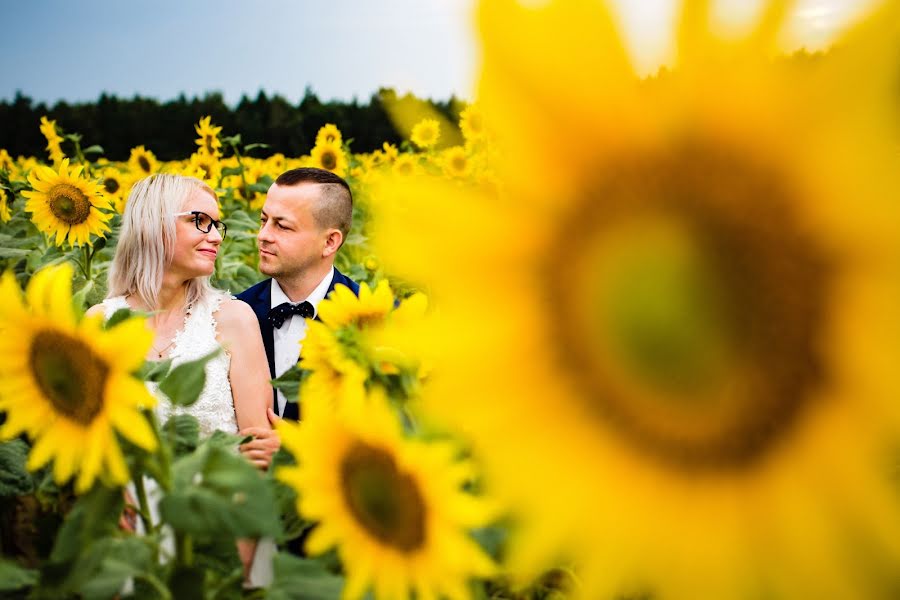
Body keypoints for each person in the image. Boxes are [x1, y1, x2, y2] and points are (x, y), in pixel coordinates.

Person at [86, 173, 273, 583]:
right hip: (126, 540)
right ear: (154, 223)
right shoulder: (98, 324)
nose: (216, 236)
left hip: (219, 529)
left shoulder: (233, 319)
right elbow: (88, 446)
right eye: (200, 221)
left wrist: (235, 560)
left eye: (217, 225)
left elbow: (256, 450)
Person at [236, 167, 360, 464]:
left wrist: (305, 447)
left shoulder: (372, 319)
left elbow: (396, 430)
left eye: (283, 226)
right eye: (264, 220)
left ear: (330, 242)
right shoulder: (237, 313)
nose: (263, 236)